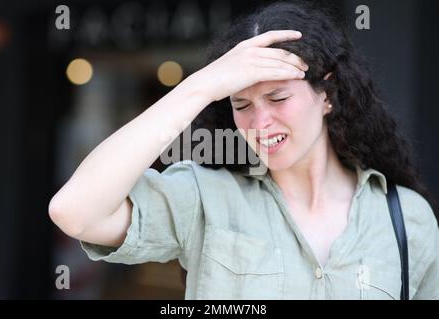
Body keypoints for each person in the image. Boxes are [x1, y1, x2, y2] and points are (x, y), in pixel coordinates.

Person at [48, 2, 439, 299]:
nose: (260, 122)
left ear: (327, 95)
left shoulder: (406, 218)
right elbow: (75, 211)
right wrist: (198, 88)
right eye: (242, 104)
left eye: (277, 97)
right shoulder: (204, 197)